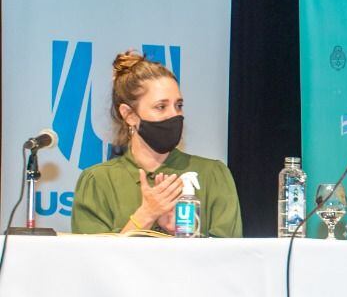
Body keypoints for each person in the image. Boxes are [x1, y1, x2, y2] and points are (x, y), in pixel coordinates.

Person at [71, 50, 242, 237]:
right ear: (129, 115)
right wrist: (146, 215)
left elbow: (230, 259)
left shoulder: (212, 175)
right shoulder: (98, 182)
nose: (174, 115)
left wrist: (180, 232)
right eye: (161, 107)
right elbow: (93, 261)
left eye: (178, 105)